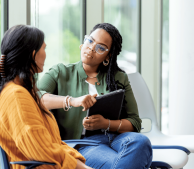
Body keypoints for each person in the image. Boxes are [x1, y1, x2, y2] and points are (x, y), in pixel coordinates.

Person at [0, 25, 93, 169]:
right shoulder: (16, 96)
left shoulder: (19, 91)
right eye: (44, 48)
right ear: (33, 54)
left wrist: (77, 161)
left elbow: (49, 144)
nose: (45, 54)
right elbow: (42, 150)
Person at [38, 23, 153, 169]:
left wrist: (106, 123)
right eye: (90, 41)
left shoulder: (119, 77)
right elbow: (36, 97)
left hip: (118, 138)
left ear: (108, 55)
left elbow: (135, 122)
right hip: (85, 144)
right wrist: (72, 101)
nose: (91, 48)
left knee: (141, 142)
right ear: (83, 42)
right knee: (126, 162)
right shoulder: (60, 72)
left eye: (101, 48)